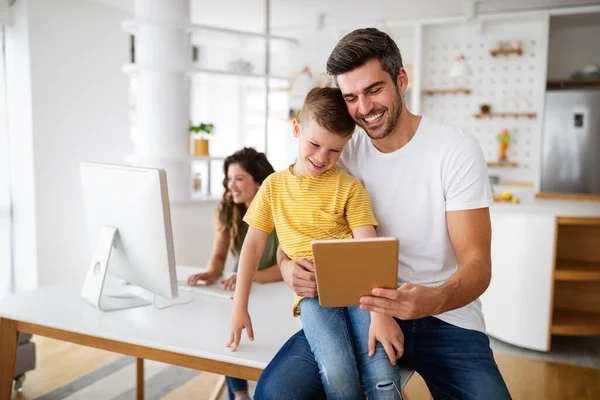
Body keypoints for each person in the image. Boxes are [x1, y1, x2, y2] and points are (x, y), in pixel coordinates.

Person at [254, 28, 512, 400]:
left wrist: (432, 300)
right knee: (275, 393)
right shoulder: (339, 147)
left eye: (374, 90)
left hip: (446, 316)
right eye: (351, 97)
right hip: (356, 309)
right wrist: (286, 266)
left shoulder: (455, 149)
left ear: (401, 79)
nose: (364, 108)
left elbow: (477, 265)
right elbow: (293, 217)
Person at [228, 87, 404, 400]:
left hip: (361, 293)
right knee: (336, 373)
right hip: (312, 298)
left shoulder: (350, 188)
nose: (322, 158)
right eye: (314, 144)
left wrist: (381, 314)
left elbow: (369, 252)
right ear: (297, 128)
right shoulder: (273, 187)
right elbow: (252, 245)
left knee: (381, 369)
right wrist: (239, 307)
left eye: (335, 151)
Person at [186, 147, 281, 400]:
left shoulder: (281, 209)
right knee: (227, 325)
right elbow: (219, 255)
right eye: (229, 179)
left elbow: (285, 267)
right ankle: (240, 396)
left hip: (276, 290)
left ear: (259, 182)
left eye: (239, 179)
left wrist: (248, 276)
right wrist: (211, 272)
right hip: (246, 288)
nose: (232, 186)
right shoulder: (230, 207)